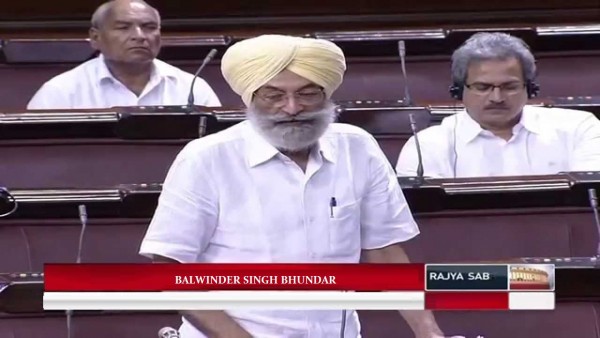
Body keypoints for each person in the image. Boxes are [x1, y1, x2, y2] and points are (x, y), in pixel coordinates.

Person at [139, 34, 463, 338]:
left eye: (307, 94)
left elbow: (384, 250)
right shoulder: (206, 158)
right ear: (251, 98)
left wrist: (428, 331)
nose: (292, 108)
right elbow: (170, 268)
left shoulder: (357, 147)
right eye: (274, 95)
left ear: (326, 95)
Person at [396, 32, 600, 178]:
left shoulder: (579, 129)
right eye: (482, 87)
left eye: (509, 86)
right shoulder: (426, 147)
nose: (496, 97)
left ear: (530, 88)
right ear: (458, 91)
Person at [27, 0, 220, 110]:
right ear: (95, 38)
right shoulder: (61, 92)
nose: (139, 36)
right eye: (123, 28)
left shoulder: (192, 87)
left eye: (149, 27)